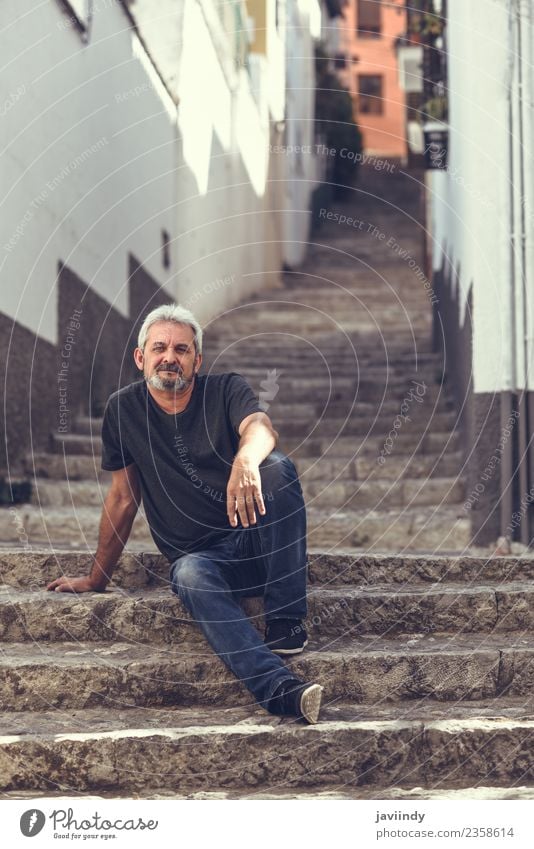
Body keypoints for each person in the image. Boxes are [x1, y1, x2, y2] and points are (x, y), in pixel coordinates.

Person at [47, 304, 323, 723]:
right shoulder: (124, 411)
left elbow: (260, 427)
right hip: (203, 561)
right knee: (189, 574)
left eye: (181, 349)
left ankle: (286, 619)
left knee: (276, 468)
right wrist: (95, 578)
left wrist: (245, 461)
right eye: (159, 348)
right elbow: (123, 497)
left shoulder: (225, 389)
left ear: (197, 359)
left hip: (258, 545)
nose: (169, 357)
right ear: (141, 358)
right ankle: (279, 690)